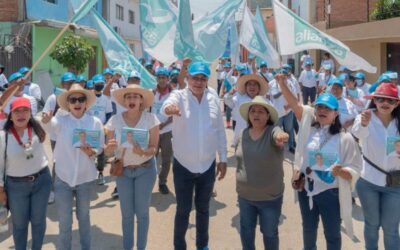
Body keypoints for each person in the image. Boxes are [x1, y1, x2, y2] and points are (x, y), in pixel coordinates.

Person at [276, 73, 361, 250]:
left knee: (332, 234)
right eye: (319, 107)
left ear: (336, 113)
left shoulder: (345, 138)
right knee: (308, 230)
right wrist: (282, 84)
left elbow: (355, 167)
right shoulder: (309, 128)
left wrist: (341, 172)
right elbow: (294, 105)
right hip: (306, 189)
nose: (322, 111)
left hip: (330, 193)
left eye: (327, 108)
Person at [161, 61, 228, 250]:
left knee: (203, 209)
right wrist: (169, 110)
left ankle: (202, 245)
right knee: (183, 210)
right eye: (195, 78)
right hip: (183, 165)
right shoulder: (179, 96)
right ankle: (179, 246)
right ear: (187, 78)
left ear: (207, 81)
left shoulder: (213, 99)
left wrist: (223, 159)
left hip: (207, 165)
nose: (198, 82)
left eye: (202, 78)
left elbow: (220, 131)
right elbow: (166, 105)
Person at [41, 84, 104, 250]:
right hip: (63, 179)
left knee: (84, 218)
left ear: (86, 103)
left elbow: (99, 149)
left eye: (81, 99)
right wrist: (45, 119)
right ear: (68, 103)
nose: (77, 102)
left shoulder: (95, 122)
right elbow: (48, 125)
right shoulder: (60, 121)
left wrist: (91, 151)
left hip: (85, 178)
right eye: (73, 99)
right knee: (64, 221)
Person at [104, 84, 159, 250]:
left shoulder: (151, 119)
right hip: (124, 172)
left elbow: (154, 148)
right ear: (124, 101)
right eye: (128, 97)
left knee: (142, 214)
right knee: (126, 215)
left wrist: (142, 152)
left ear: (141, 100)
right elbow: (107, 152)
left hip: (146, 170)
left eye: (136, 96)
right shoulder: (114, 120)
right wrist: (109, 149)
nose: (132, 99)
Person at [235, 96, 288, 250]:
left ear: (268, 116)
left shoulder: (273, 132)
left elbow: (278, 135)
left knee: (270, 234)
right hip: (245, 197)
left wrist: (281, 137)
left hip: (269, 198)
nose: (256, 114)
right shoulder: (243, 134)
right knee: (246, 231)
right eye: (253, 111)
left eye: (260, 111)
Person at [351, 82, 400, 250]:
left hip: (395, 185)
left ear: (397, 103)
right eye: (380, 99)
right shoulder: (366, 116)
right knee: (372, 225)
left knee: (391, 229)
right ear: (374, 100)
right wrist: (364, 123)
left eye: (390, 100)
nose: (385, 103)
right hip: (368, 182)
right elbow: (357, 134)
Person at [0, 97, 51, 250]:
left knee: (38, 221)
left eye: (25, 110)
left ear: (30, 113)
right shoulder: (3, 137)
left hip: (42, 181)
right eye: (17, 111)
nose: (21, 115)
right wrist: (1, 189)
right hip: (16, 186)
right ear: (10, 115)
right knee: (19, 224)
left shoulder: (38, 127)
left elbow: (57, 122)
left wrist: (49, 119)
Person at [42, 72, 76, 204]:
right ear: (62, 84)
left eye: (72, 83)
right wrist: (47, 117)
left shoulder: (77, 97)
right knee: (58, 162)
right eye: (67, 83)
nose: (69, 85)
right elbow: (46, 114)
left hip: (73, 135)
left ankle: (71, 187)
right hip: (57, 136)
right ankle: (52, 190)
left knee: (72, 160)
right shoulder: (53, 97)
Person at [224, 74, 268, 146]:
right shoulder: (238, 99)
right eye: (249, 84)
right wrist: (230, 94)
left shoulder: (265, 101)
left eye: (255, 85)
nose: (252, 87)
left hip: (259, 138)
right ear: (245, 87)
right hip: (241, 136)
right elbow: (228, 101)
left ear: (259, 88)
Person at [87, 74, 113, 185]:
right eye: (97, 84)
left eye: (101, 84)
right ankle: (89, 173)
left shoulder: (106, 99)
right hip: (90, 128)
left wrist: (105, 125)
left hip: (102, 129)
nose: (99, 86)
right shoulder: (88, 97)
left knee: (101, 152)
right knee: (90, 151)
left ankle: (100, 173)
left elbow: (109, 113)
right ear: (93, 85)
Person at [152, 67, 173, 195]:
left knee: (166, 158)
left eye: (164, 77)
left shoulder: (173, 94)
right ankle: (150, 181)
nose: (162, 80)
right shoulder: (151, 93)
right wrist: (154, 125)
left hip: (167, 130)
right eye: (159, 77)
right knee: (150, 158)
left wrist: (164, 124)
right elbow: (148, 111)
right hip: (153, 131)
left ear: (168, 79)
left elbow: (175, 113)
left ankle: (162, 182)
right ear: (157, 79)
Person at [268, 68, 298, 154]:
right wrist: (283, 88)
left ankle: (291, 146)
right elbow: (275, 96)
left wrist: (289, 106)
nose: (283, 78)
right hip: (277, 112)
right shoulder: (272, 83)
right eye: (281, 76)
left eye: (284, 76)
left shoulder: (290, 83)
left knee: (289, 129)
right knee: (276, 130)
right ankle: (274, 146)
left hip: (288, 111)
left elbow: (295, 97)